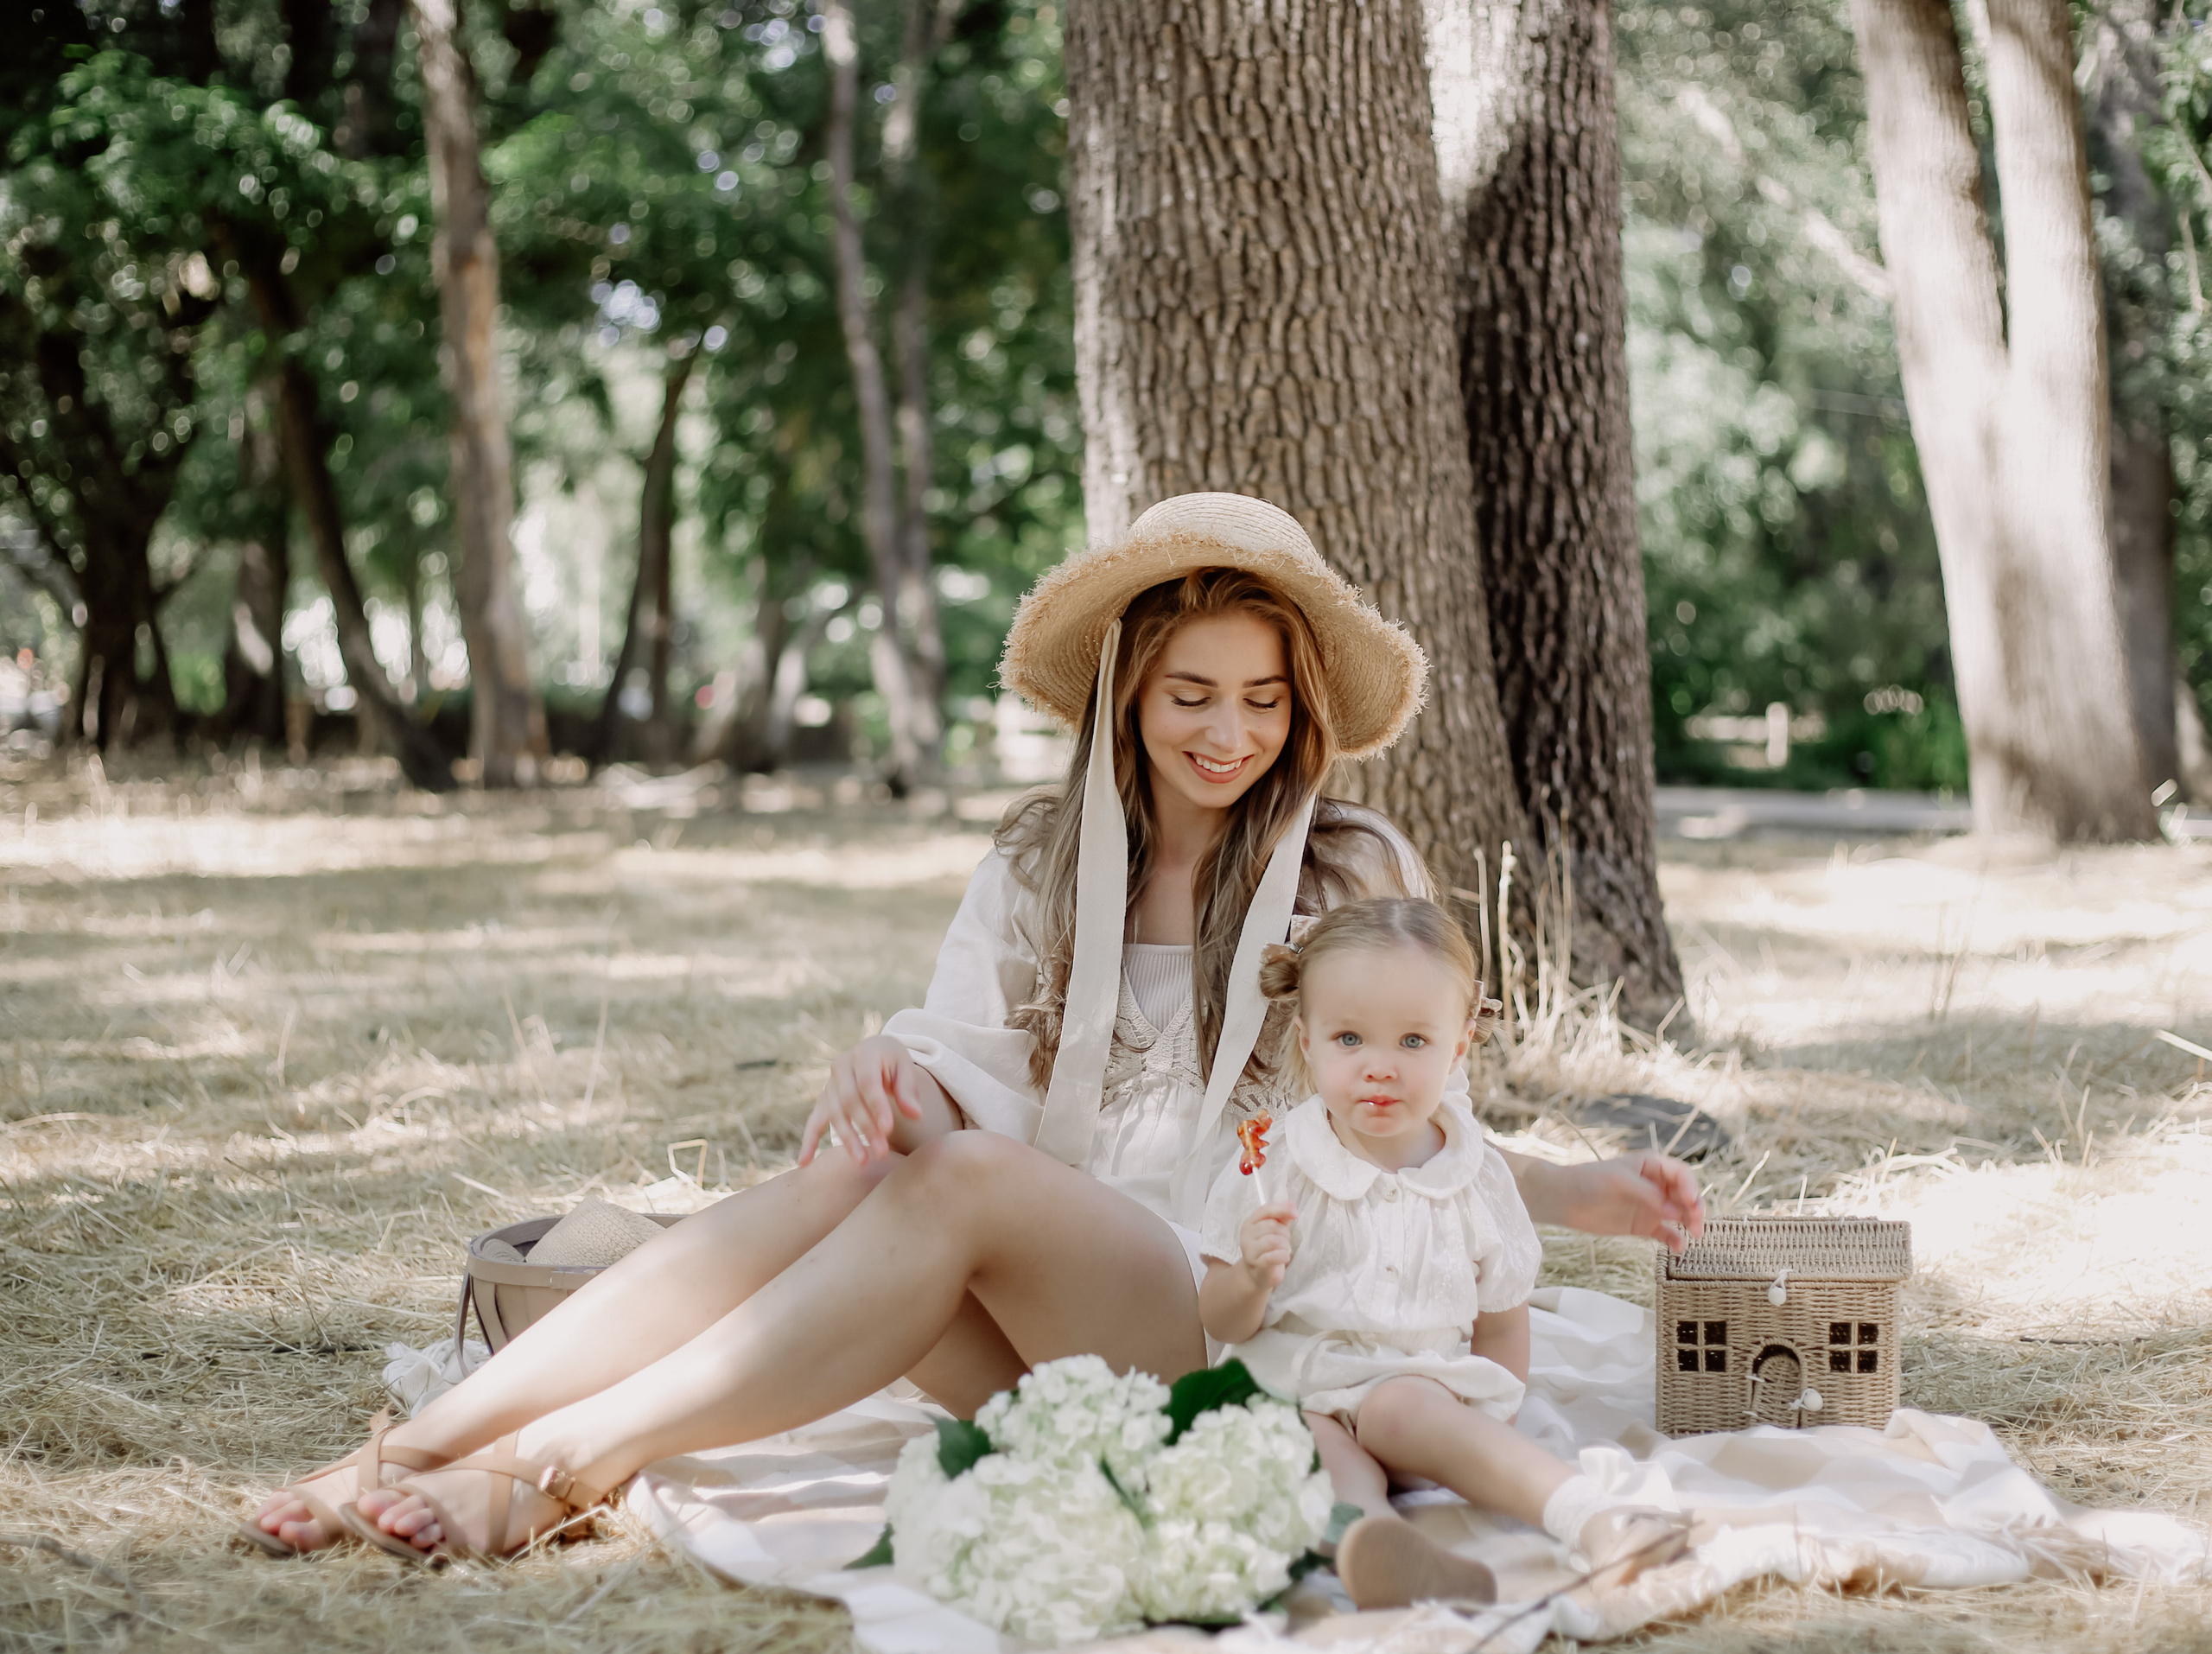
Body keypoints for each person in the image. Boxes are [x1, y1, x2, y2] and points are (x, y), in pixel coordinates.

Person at [245, 493, 1702, 1562]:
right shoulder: (1038, 858)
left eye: (1262, 697)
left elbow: (1410, 1109)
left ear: (1301, 707)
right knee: (861, 1166)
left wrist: (1578, 1191)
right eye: (1190, 691)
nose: (1228, 729)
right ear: (1128, 694)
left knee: (953, 1180)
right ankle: (436, 1440)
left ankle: (562, 1460)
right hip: (1027, 1320)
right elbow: (967, 1075)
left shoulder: (1353, 866)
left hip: (1230, 1322)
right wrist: (899, 1067)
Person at [1200, 898, 1688, 1609]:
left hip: (1415, 1393)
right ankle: (1375, 1545)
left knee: (1407, 1409)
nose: (1379, 1068)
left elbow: (1501, 1315)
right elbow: (1221, 1320)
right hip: (1293, 1387)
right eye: (1349, 1040)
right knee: (1304, 1446)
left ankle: (1599, 1518)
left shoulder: (1474, 1173)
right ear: (1305, 1041)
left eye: (1412, 1043)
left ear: (1457, 1048)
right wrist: (1248, 1277)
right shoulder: (1272, 1163)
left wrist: (1485, 1423)